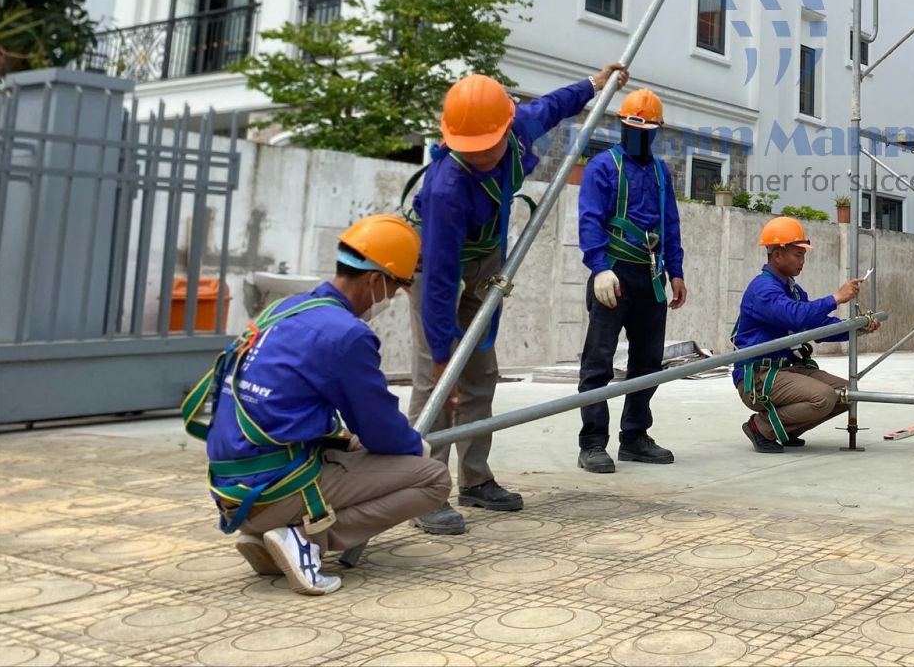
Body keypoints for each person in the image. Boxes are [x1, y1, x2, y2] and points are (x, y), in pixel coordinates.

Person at [407, 64, 628, 534]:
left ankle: (475, 480)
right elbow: (442, 281)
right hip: (436, 269)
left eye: (488, 144)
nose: (481, 154)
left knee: (482, 373)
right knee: (436, 383)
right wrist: (444, 352)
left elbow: (554, 106)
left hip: (487, 257)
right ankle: (422, 493)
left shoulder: (519, 127)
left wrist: (593, 83)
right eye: (470, 148)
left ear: (506, 127)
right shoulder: (446, 186)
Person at [182, 214, 449, 597]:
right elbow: (380, 428)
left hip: (231, 486)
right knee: (431, 476)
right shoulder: (346, 335)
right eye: (396, 286)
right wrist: (412, 447)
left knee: (352, 444)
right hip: (273, 487)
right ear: (376, 280)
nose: (391, 298)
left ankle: (266, 534)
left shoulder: (284, 311)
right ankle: (305, 536)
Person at [574, 87, 686, 472]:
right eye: (632, 127)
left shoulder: (659, 172)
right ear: (622, 126)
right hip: (614, 275)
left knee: (648, 361)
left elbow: (669, 223)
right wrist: (599, 268)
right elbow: (590, 219)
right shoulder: (603, 167)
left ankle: (634, 436)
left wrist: (677, 272)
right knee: (598, 362)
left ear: (656, 131)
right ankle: (592, 442)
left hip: (650, 277)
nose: (638, 135)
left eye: (645, 128)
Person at [730, 216, 879, 453]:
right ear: (777, 254)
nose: (802, 261)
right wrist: (835, 298)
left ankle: (784, 429)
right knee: (823, 397)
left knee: (849, 393)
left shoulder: (793, 290)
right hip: (759, 375)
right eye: (797, 255)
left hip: (784, 369)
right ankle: (762, 427)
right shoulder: (762, 289)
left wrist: (857, 328)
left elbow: (815, 327)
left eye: (803, 256)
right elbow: (796, 317)